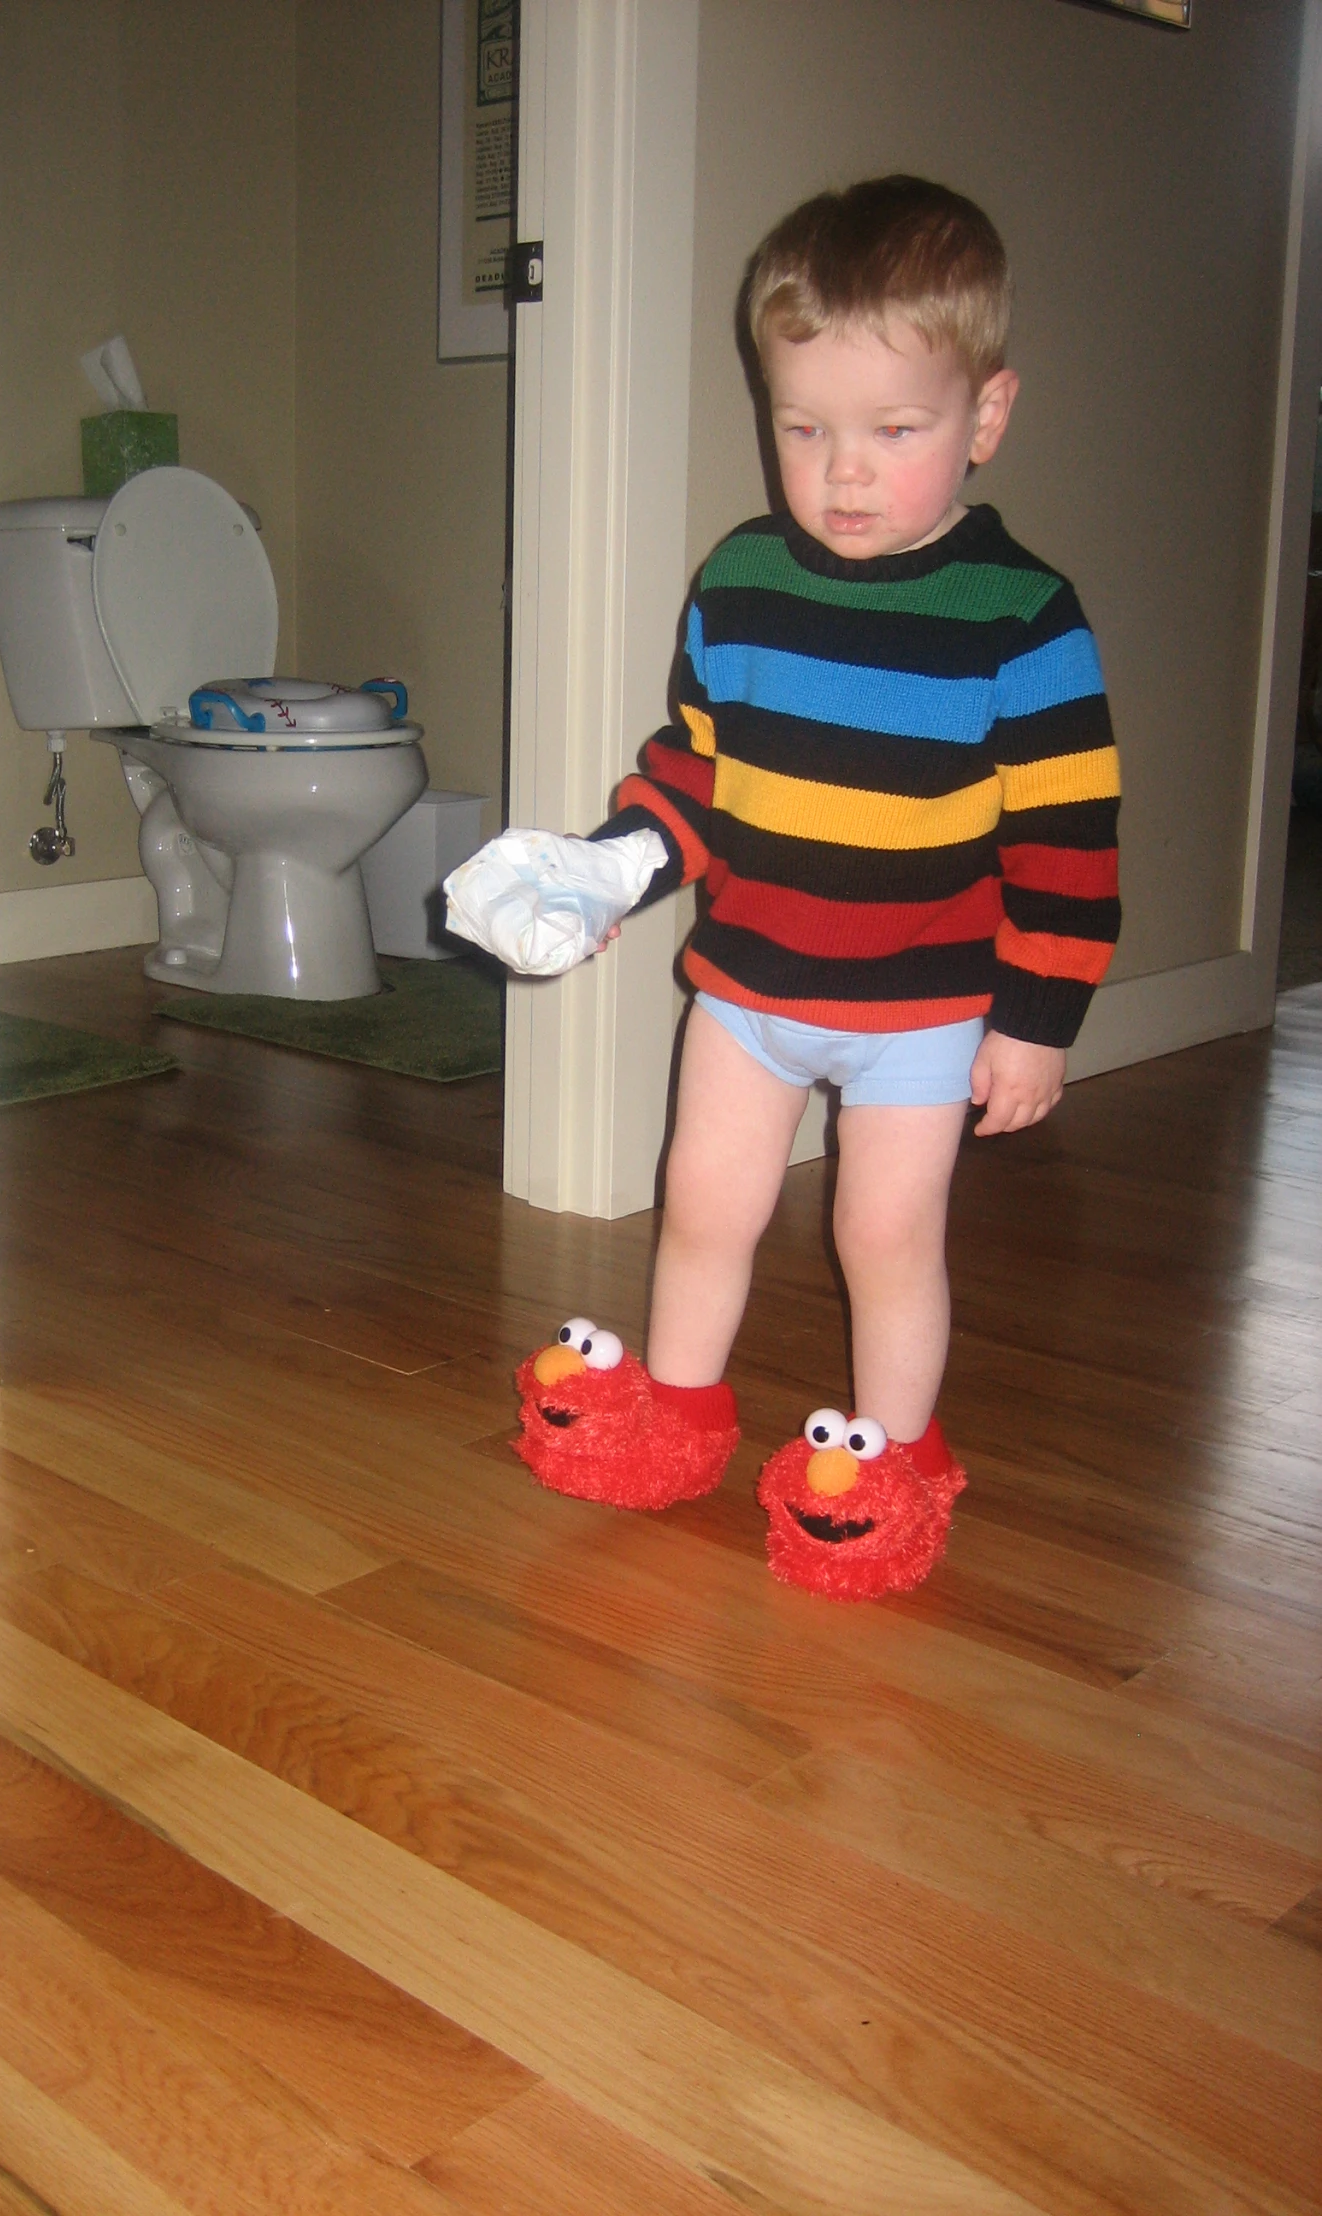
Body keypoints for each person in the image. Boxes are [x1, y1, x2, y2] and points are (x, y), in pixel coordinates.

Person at [517, 175, 1121, 1522]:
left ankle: (889, 1472)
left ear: (986, 417)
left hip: (921, 1006)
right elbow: (693, 768)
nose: (842, 471)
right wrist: (619, 863)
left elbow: (1068, 835)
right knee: (700, 1204)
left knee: (882, 1237)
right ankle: (673, 1421)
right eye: (801, 429)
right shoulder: (739, 582)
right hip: (744, 988)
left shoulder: (1021, 618)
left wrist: (1035, 1018)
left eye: (892, 429)